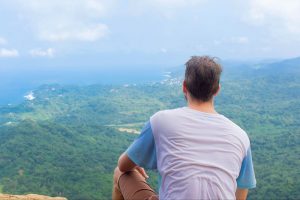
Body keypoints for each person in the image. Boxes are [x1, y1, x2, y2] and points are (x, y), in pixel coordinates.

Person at [112, 56, 256, 200]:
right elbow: (241, 195)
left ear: (184, 87)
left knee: (119, 172)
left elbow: (123, 166)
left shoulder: (161, 121)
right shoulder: (240, 136)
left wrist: (135, 162)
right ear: (217, 90)